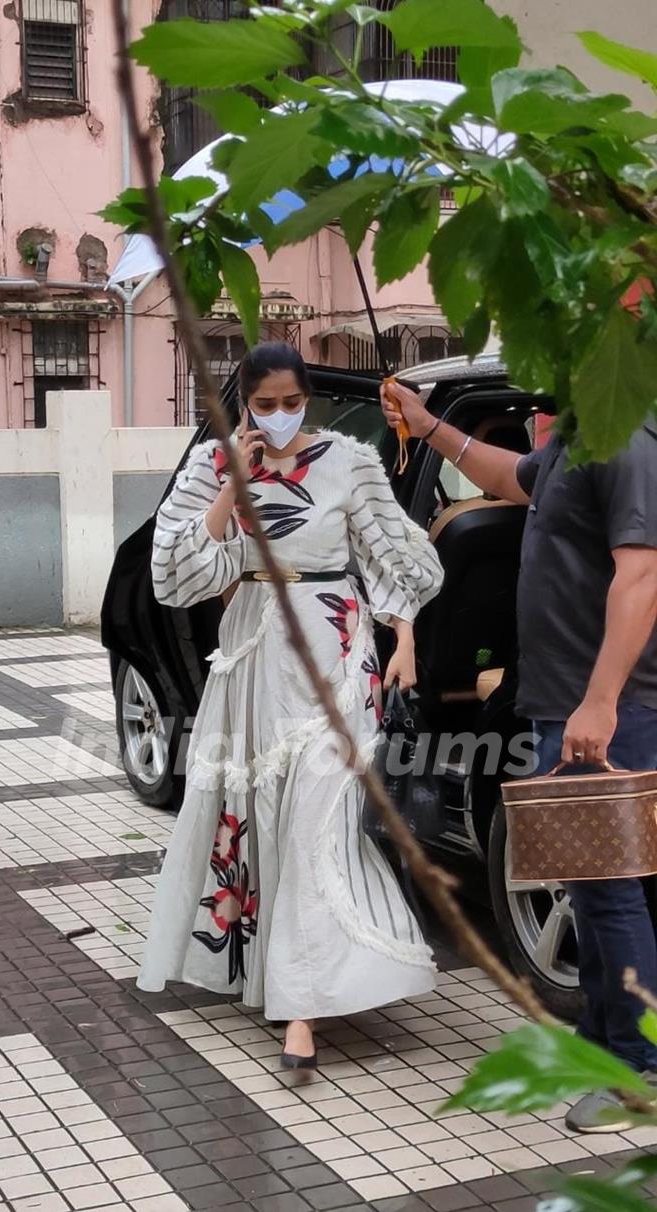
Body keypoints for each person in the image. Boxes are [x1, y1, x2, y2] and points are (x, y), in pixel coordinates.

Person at [138, 343, 444, 1068]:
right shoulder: (212, 465)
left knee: (316, 819)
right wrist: (229, 487)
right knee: (260, 821)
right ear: (243, 402)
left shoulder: (349, 461)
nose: (279, 417)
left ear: (309, 397)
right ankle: (285, 983)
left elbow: (399, 557)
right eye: (263, 405)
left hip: (337, 652)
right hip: (252, 659)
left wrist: (402, 636)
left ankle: (302, 1009)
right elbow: (174, 574)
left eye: (290, 402)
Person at [382, 379, 657, 1132]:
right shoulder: (577, 431)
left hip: (606, 706)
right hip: (557, 698)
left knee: (610, 889)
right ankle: (605, 1047)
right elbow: (506, 477)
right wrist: (429, 424)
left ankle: (639, 1070)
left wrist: (599, 701)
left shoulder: (627, 434)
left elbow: (642, 575)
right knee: (589, 881)